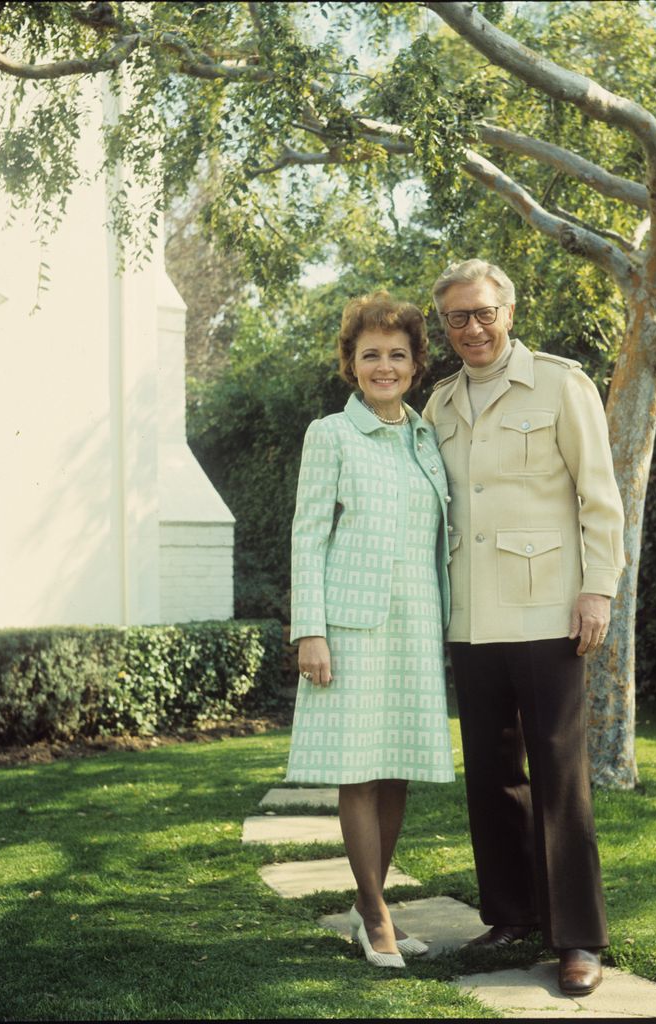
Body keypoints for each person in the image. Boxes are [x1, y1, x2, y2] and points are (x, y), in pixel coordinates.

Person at [423, 259, 626, 996]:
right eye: (456, 318)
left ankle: (577, 938)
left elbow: (598, 498)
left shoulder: (562, 385)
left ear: (509, 311)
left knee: (560, 774)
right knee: (491, 771)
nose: (471, 329)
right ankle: (509, 912)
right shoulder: (439, 403)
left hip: (548, 609)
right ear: (442, 325)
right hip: (470, 615)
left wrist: (597, 591)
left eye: (483, 313)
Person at [287, 291, 455, 969]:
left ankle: (368, 907)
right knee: (358, 771)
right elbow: (306, 535)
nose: (384, 366)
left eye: (397, 354)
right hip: (349, 627)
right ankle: (377, 912)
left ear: (417, 363)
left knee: (399, 768)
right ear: (350, 364)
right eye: (370, 355)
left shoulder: (426, 436)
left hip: (416, 625)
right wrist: (311, 631)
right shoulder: (329, 434)